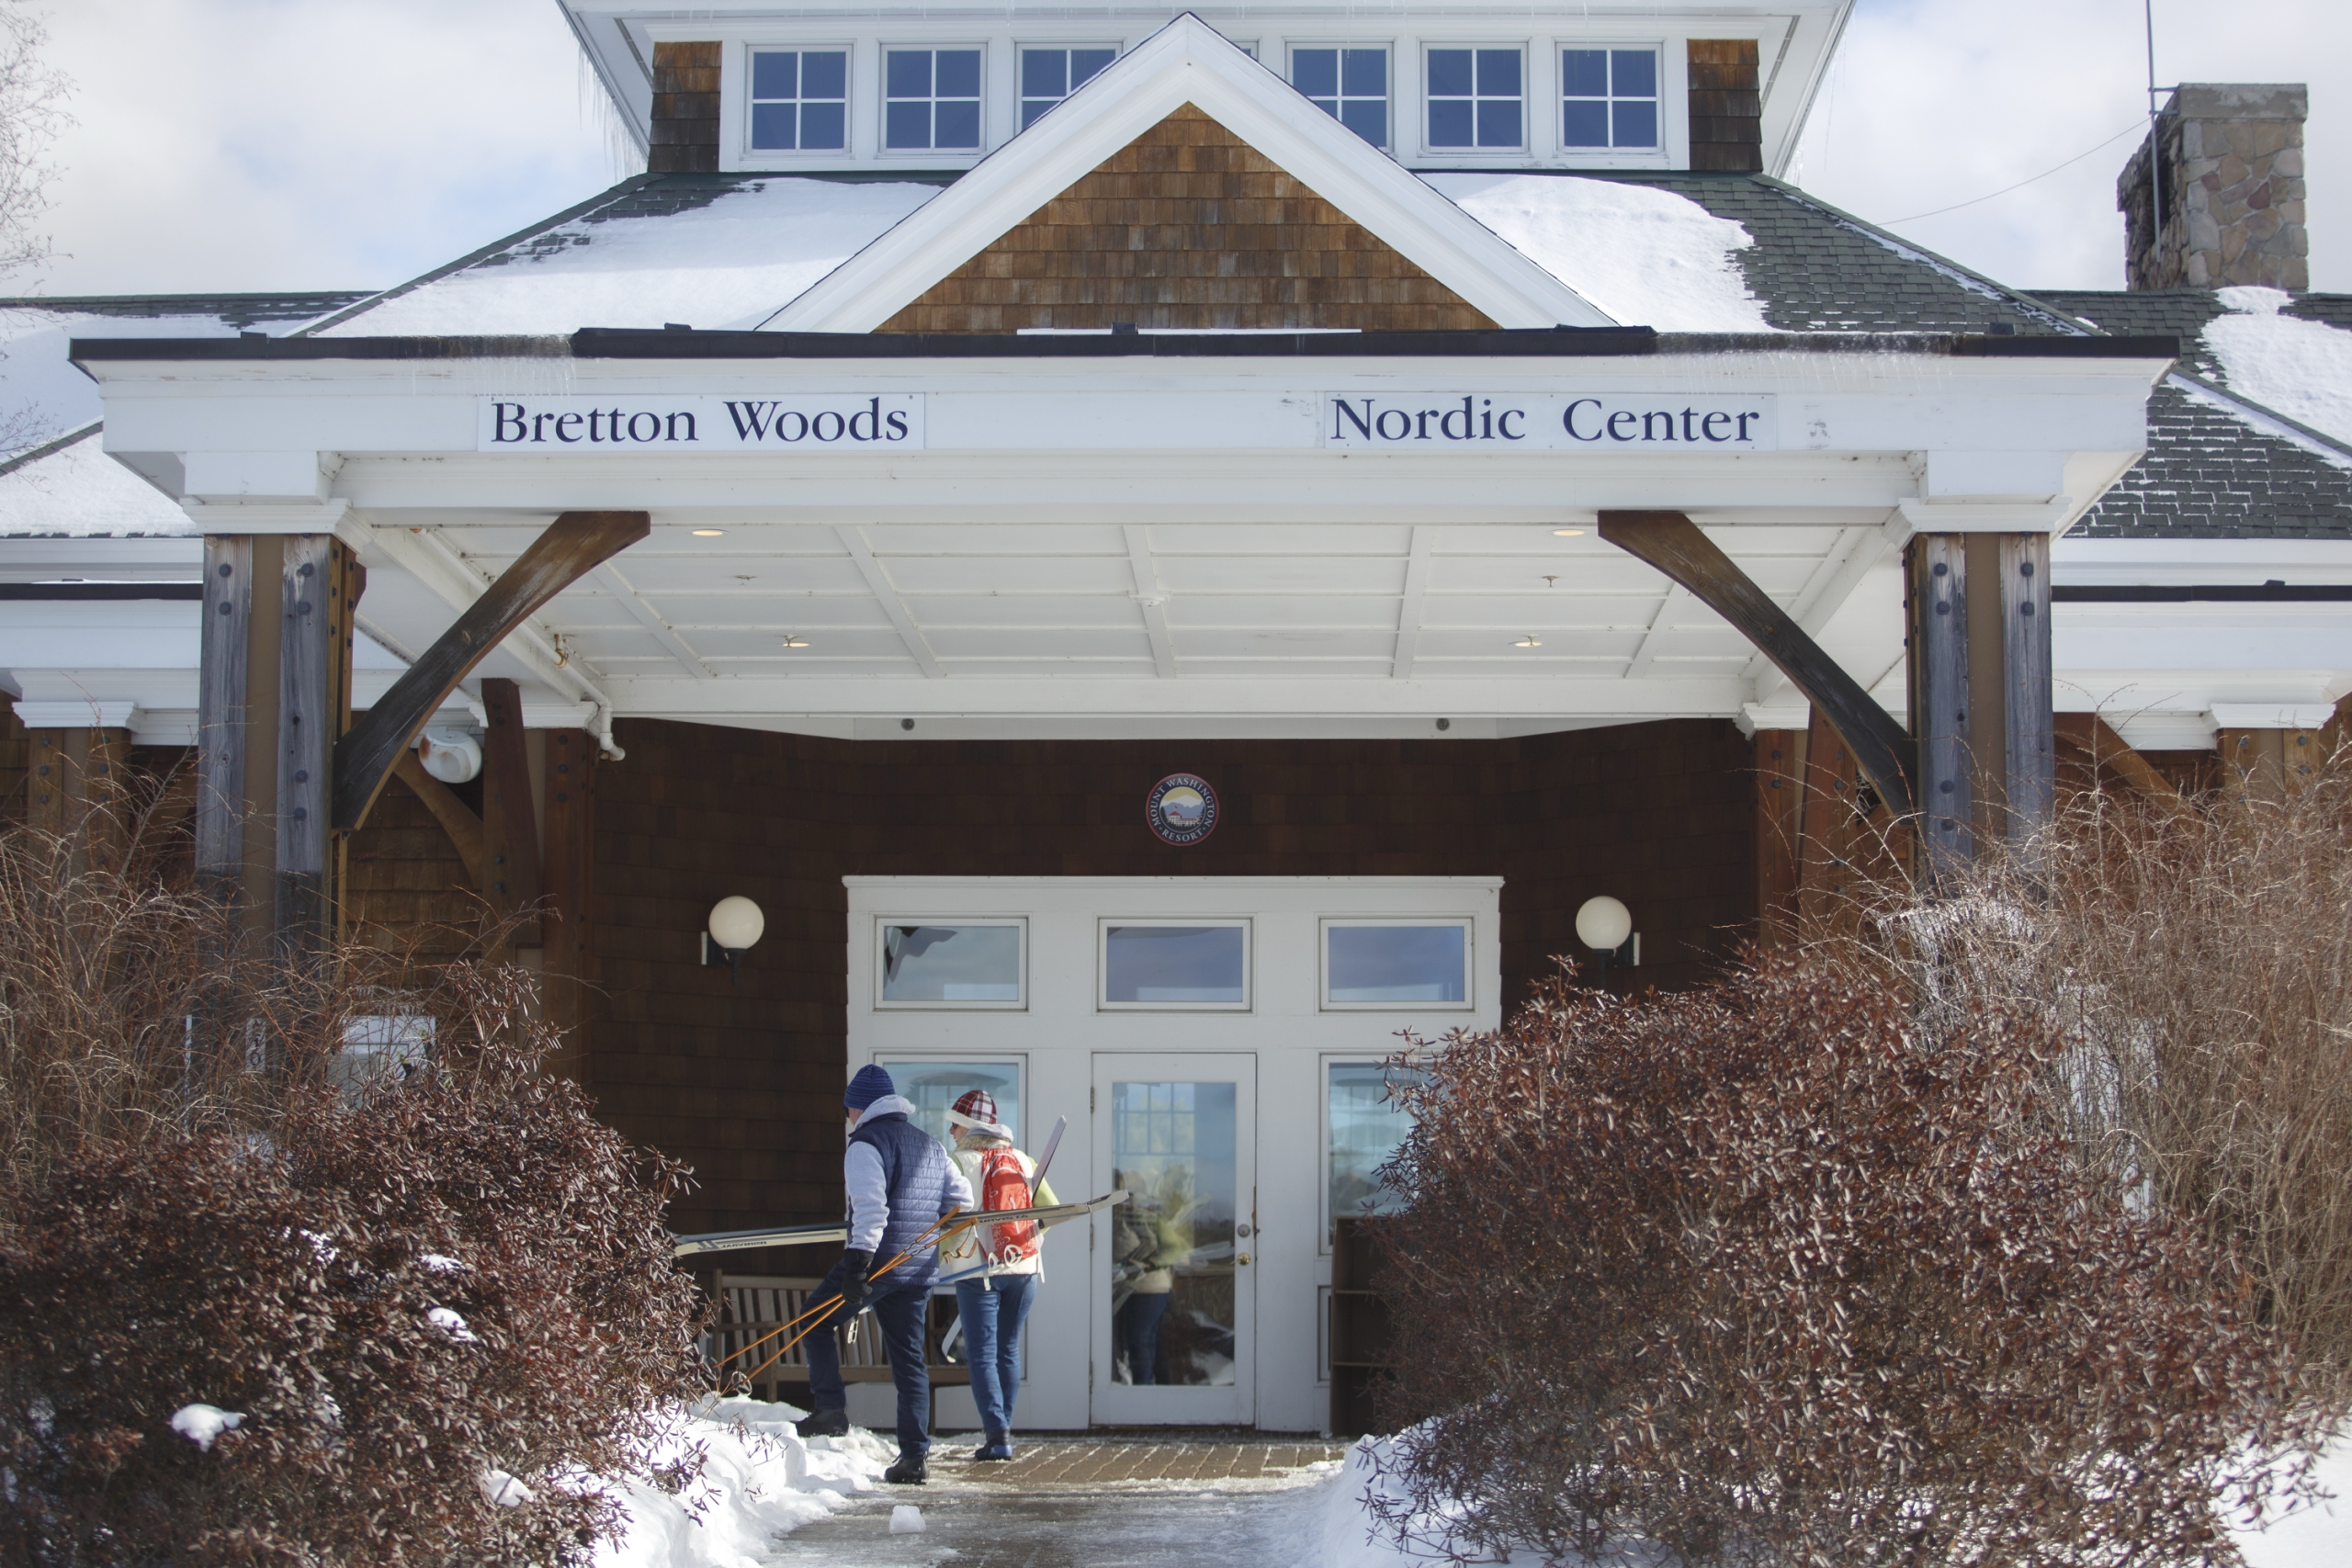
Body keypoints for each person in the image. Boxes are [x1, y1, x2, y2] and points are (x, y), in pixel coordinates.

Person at [794, 1064, 972, 1486]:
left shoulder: (864, 1145)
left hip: (875, 1263)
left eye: (847, 1111)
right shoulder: (930, 1145)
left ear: (857, 1107)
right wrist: (927, 1234)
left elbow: (871, 1210)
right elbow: (962, 1204)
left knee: (813, 1322)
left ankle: (831, 1409)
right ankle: (914, 1458)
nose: (847, 1119)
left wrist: (857, 1266)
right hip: (918, 1269)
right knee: (909, 1362)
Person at [937, 1089, 1057, 1461]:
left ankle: (997, 1434)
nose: (952, 1133)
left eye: (955, 1126)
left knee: (981, 1354)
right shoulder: (1022, 1160)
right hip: (1024, 1269)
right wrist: (1029, 1241)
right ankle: (1002, 1430)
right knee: (1007, 1349)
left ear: (969, 1128)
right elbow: (1050, 1208)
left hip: (978, 1271)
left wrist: (943, 1254)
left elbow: (946, 1220)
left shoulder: (958, 1163)